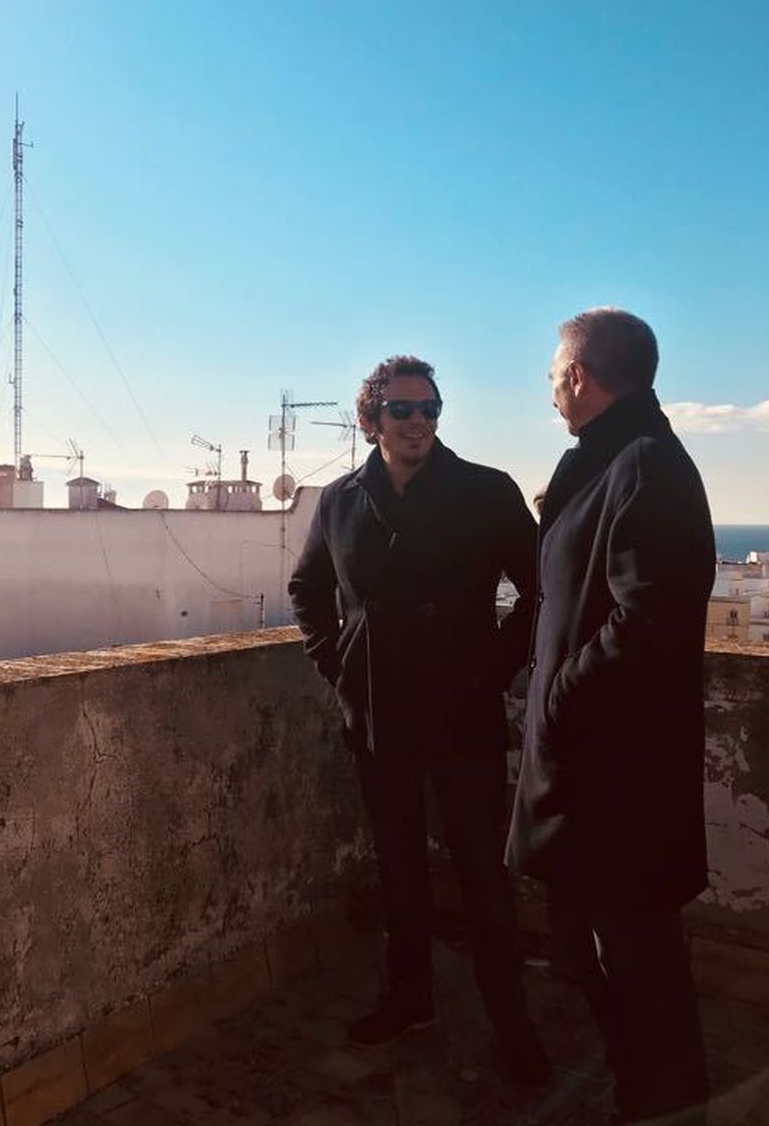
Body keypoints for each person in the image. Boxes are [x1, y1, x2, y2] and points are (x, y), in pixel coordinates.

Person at [288, 355, 549, 1084]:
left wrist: (492, 671)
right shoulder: (340, 499)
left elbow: (539, 593)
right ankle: (409, 998)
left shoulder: (485, 491)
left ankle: (512, 1023)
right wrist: (336, 663)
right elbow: (307, 587)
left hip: (461, 711)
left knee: (483, 877)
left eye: (430, 408)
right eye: (402, 410)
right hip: (376, 712)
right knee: (398, 868)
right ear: (370, 420)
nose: (420, 422)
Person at [508, 308, 714, 1122]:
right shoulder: (607, 462)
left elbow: (648, 621)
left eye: (554, 368)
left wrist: (557, 701)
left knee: (638, 963)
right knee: (598, 954)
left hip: (618, 778)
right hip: (589, 769)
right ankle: (643, 1094)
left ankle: (667, 1105)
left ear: (579, 377)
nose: (550, 383)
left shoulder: (648, 467)